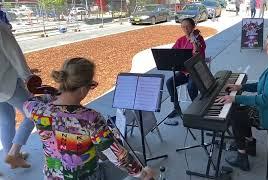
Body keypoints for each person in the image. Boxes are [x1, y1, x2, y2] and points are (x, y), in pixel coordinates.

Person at [18, 57, 155, 180]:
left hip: (52, 176)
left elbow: (28, 103)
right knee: (138, 157)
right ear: (83, 88)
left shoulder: (36, 110)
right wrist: (142, 174)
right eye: (91, 86)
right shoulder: (89, 118)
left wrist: (52, 95)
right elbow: (118, 157)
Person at [216, 25, 268, 171]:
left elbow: (265, 100)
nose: (266, 43)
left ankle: (242, 157)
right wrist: (241, 87)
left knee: (235, 114)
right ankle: (249, 143)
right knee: (240, 110)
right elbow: (264, 86)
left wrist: (234, 98)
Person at [0, 22, 35, 169]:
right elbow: (14, 53)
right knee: (33, 113)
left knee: (6, 120)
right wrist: (28, 77)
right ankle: (14, 155)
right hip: (6, 82)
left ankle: (11, 156)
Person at [165, 18, 206, 125]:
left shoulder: (199, 39)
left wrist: (194, 43)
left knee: (191, 86)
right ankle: (176, 108)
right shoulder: (181, 40)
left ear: (193, 27)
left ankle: (196, 110)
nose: (185, 28)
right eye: (183, 26)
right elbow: (172, 53)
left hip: (195, 71)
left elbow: (198, 55)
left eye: (187, 26)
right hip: (184, 71)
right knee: (170, 82)